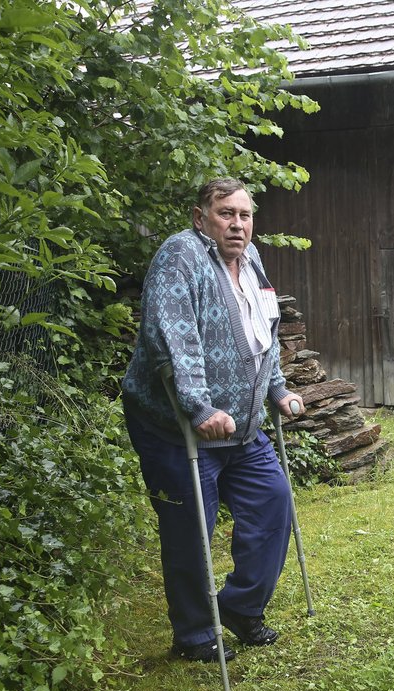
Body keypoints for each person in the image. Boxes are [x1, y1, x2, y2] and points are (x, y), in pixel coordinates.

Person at [122, 178, 306, 663]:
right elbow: (173, 342)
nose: (238, 224)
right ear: (201, 216)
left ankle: (241, 608)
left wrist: (279, 388)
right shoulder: (180, 256)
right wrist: (199, 407)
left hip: (243, 429)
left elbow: (264, 330)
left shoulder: (251, 261)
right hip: (176, 427)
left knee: (273, 502)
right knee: (191, 530)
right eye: (227, 213)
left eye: (245, 215)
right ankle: (196, 635)